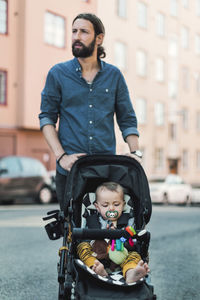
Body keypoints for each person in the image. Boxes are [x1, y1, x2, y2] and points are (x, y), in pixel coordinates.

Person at [39, 13, 142, 210]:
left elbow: (127, 119)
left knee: (107, 231)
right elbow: (46, 119)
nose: (77, 36)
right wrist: (62, 157)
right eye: (74, 31)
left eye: (84, 32)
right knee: (72, 232)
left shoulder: (114, 76)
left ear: (99, 38)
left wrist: (135, 153)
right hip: (70, 169)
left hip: (105, 169)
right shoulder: (58, 74)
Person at [77, 182, 150, 284]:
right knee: (82, 247)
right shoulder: (92, 220)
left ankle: (131, 272)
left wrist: (122, 239)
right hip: (97, 254)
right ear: (97, 207)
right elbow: (84, 238)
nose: (111, 208)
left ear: (123, 205)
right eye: (105, 205)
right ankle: (95, 268)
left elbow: (132, 240)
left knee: (134, 255)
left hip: (121, 254)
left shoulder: (127, 221)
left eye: (116, 204)